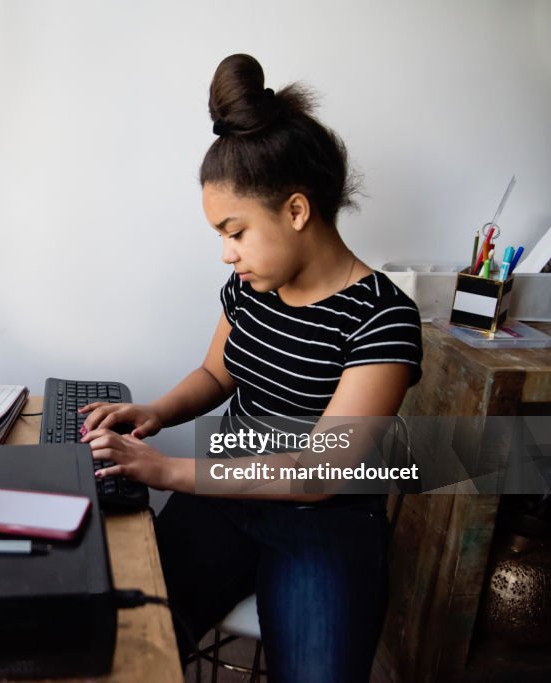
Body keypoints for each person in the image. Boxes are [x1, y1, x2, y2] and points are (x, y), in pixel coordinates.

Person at [79, 53, 422, 683]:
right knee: (118, 636)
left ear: (296, 211)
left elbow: (321, 474)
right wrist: (155, 411)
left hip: (326, 522)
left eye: (234, 231)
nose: (225, 253)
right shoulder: (251, 290)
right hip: (226, 498)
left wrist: (169, 471)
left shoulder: (383, 320)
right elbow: (216, 377)